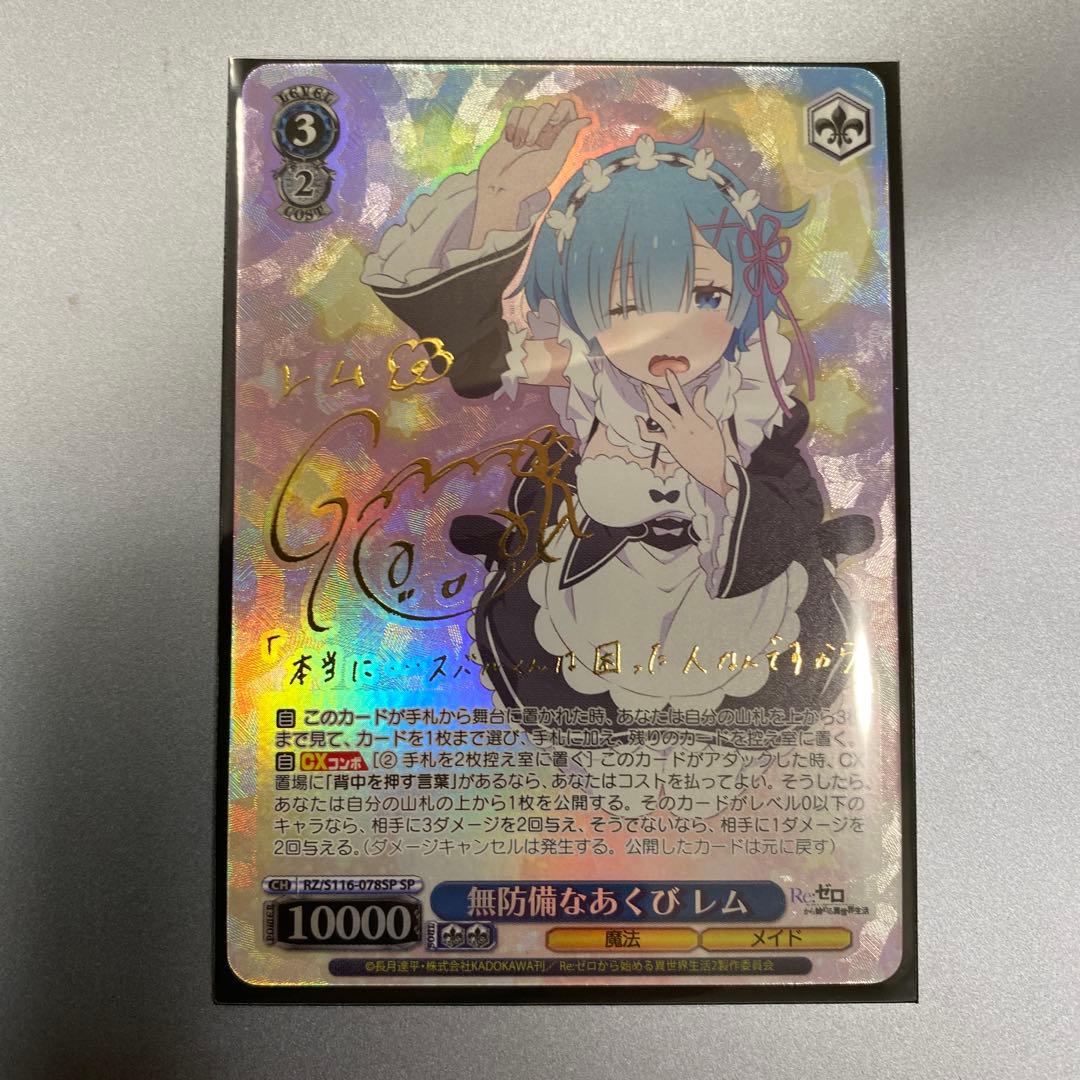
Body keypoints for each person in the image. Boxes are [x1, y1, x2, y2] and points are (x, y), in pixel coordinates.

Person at [361, 98, 873, 740]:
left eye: (705, 295)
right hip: (593, 583)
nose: (667, 331)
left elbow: (785, 503)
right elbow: (473, 362)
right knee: (554, 661)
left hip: (741, 595)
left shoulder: (754, 397)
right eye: (627, 303)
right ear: (581, 305)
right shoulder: (590, 367)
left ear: (743, 295)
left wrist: (716, 473)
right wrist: (498, 202)